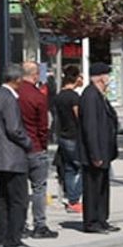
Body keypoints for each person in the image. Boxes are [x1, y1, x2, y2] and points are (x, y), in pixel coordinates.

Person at [0, 64, 36, 247]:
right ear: (17, 79)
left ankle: (2, 238)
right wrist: (28, 142)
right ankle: (14, 240)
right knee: (18, 200)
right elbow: (14, 129)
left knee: (4, 199)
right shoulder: (9, 98)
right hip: (12, 157)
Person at [77, 62, 120, 234]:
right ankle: (91, 221)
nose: (109, 78)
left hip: (104, 150)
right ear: (100, 77)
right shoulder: (90, 95)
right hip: (94, 153)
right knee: (92, 188)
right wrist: (95, 154)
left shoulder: (100, 95)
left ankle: (102, 219)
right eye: (107, 75)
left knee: (102, 188)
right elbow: (90, 127)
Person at [17, 61, 58, 239]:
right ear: (35, 75)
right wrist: (43, 145)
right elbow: (43, 126)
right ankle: (39, 225)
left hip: (17, 149)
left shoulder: (14, 94)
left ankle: (20, 224)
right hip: (35, 147)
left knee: (19, 189)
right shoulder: (38, 96)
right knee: (39, 188)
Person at [53, 65, 83, 213]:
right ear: (76, 78)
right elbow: (79, 117)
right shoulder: (74, 97)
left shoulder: (59, 96)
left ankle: (72, 201)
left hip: (63, 135)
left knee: (70, 169)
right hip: (74, 136)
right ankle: (74, 198)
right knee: (83, 168)